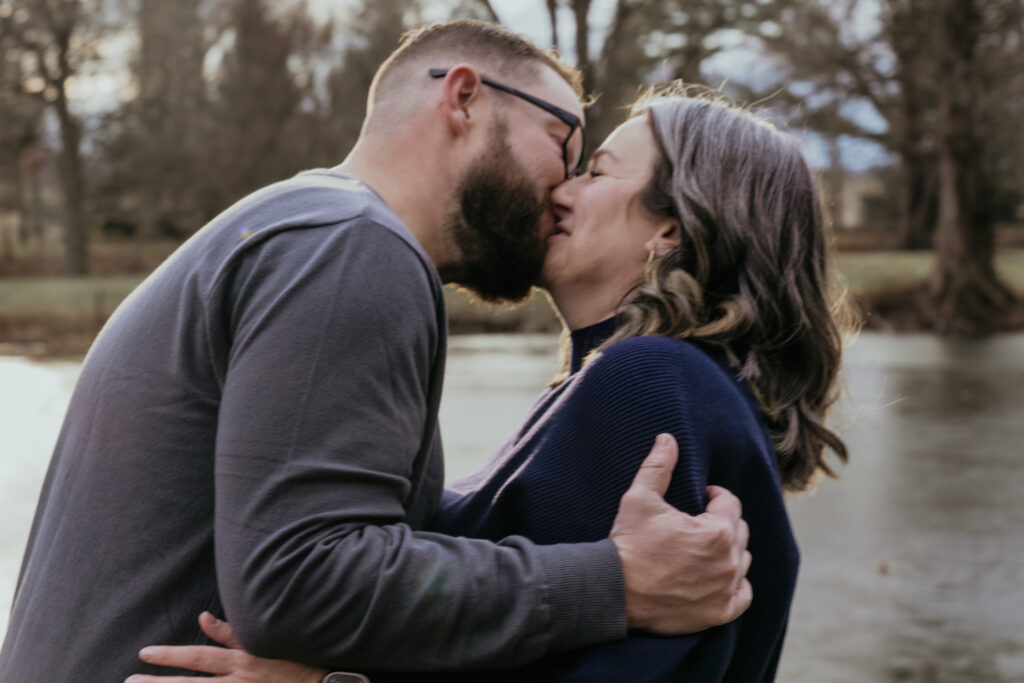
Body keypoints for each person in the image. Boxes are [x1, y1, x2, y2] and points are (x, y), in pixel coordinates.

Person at [0, 21, 754, 683]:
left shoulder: (299, 228)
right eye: (564, 145)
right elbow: (301, 581)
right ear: (464, 98)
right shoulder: (353, 248)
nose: (561, 186)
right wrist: (613, 580)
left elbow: (346, 552)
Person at [128, 89, 851, 682]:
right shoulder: (634, 385)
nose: (560, 191)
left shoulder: (651, 385)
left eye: (596, 172)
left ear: (671, 228)